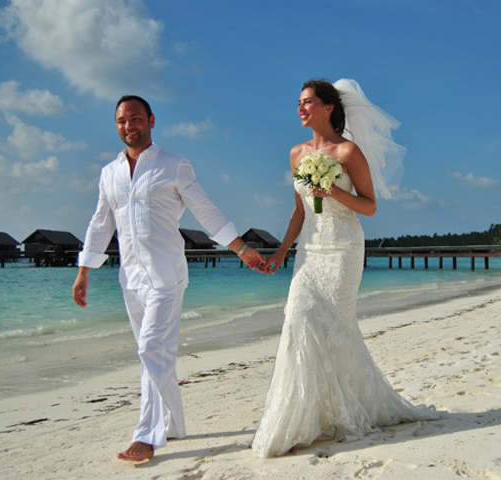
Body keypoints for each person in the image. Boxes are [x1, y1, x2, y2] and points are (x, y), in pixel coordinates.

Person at [252, 79, 444, 458]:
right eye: (299, 102)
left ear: (328, 107)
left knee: (337, 327)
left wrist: (334, 192)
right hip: (310, 250)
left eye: (308, 102)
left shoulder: (348, 151)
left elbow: (370, 206)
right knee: (298, 318)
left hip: (343, 247)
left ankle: (342, 409)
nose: (300, 108)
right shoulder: (295, 153)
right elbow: (298, 211)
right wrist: (280, 253)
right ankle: (303, 416)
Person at [72, 95, 264, 462]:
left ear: (151, 120)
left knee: (150, 348)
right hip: (131, 279)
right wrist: (84, 272)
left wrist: (240, 248)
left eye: (135, 118)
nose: (128, 125)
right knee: (157, 354)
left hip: (166, 276)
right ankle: (174, 425)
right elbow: (100, 223)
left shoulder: (174, 165)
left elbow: (204, 209)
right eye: (121, 120)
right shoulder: (109, 173)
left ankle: (147, 434)